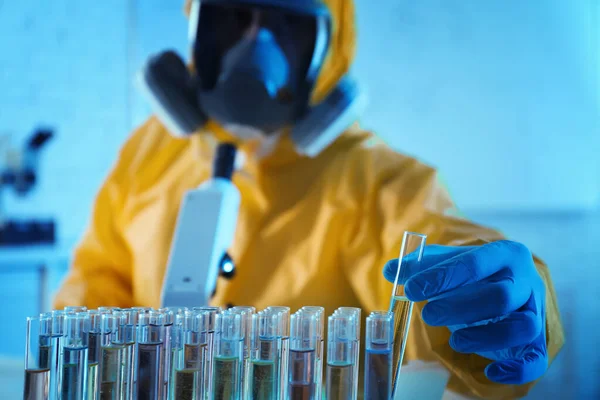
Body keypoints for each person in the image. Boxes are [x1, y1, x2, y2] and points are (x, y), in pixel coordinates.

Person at [54, 0, 564, 398]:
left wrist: (506, 306)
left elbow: (435, 261)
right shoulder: (148, 154)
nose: (255, 46)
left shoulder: (374, 179)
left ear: (328, 49)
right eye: (232, 17)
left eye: (289, 26)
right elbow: (93, 293)